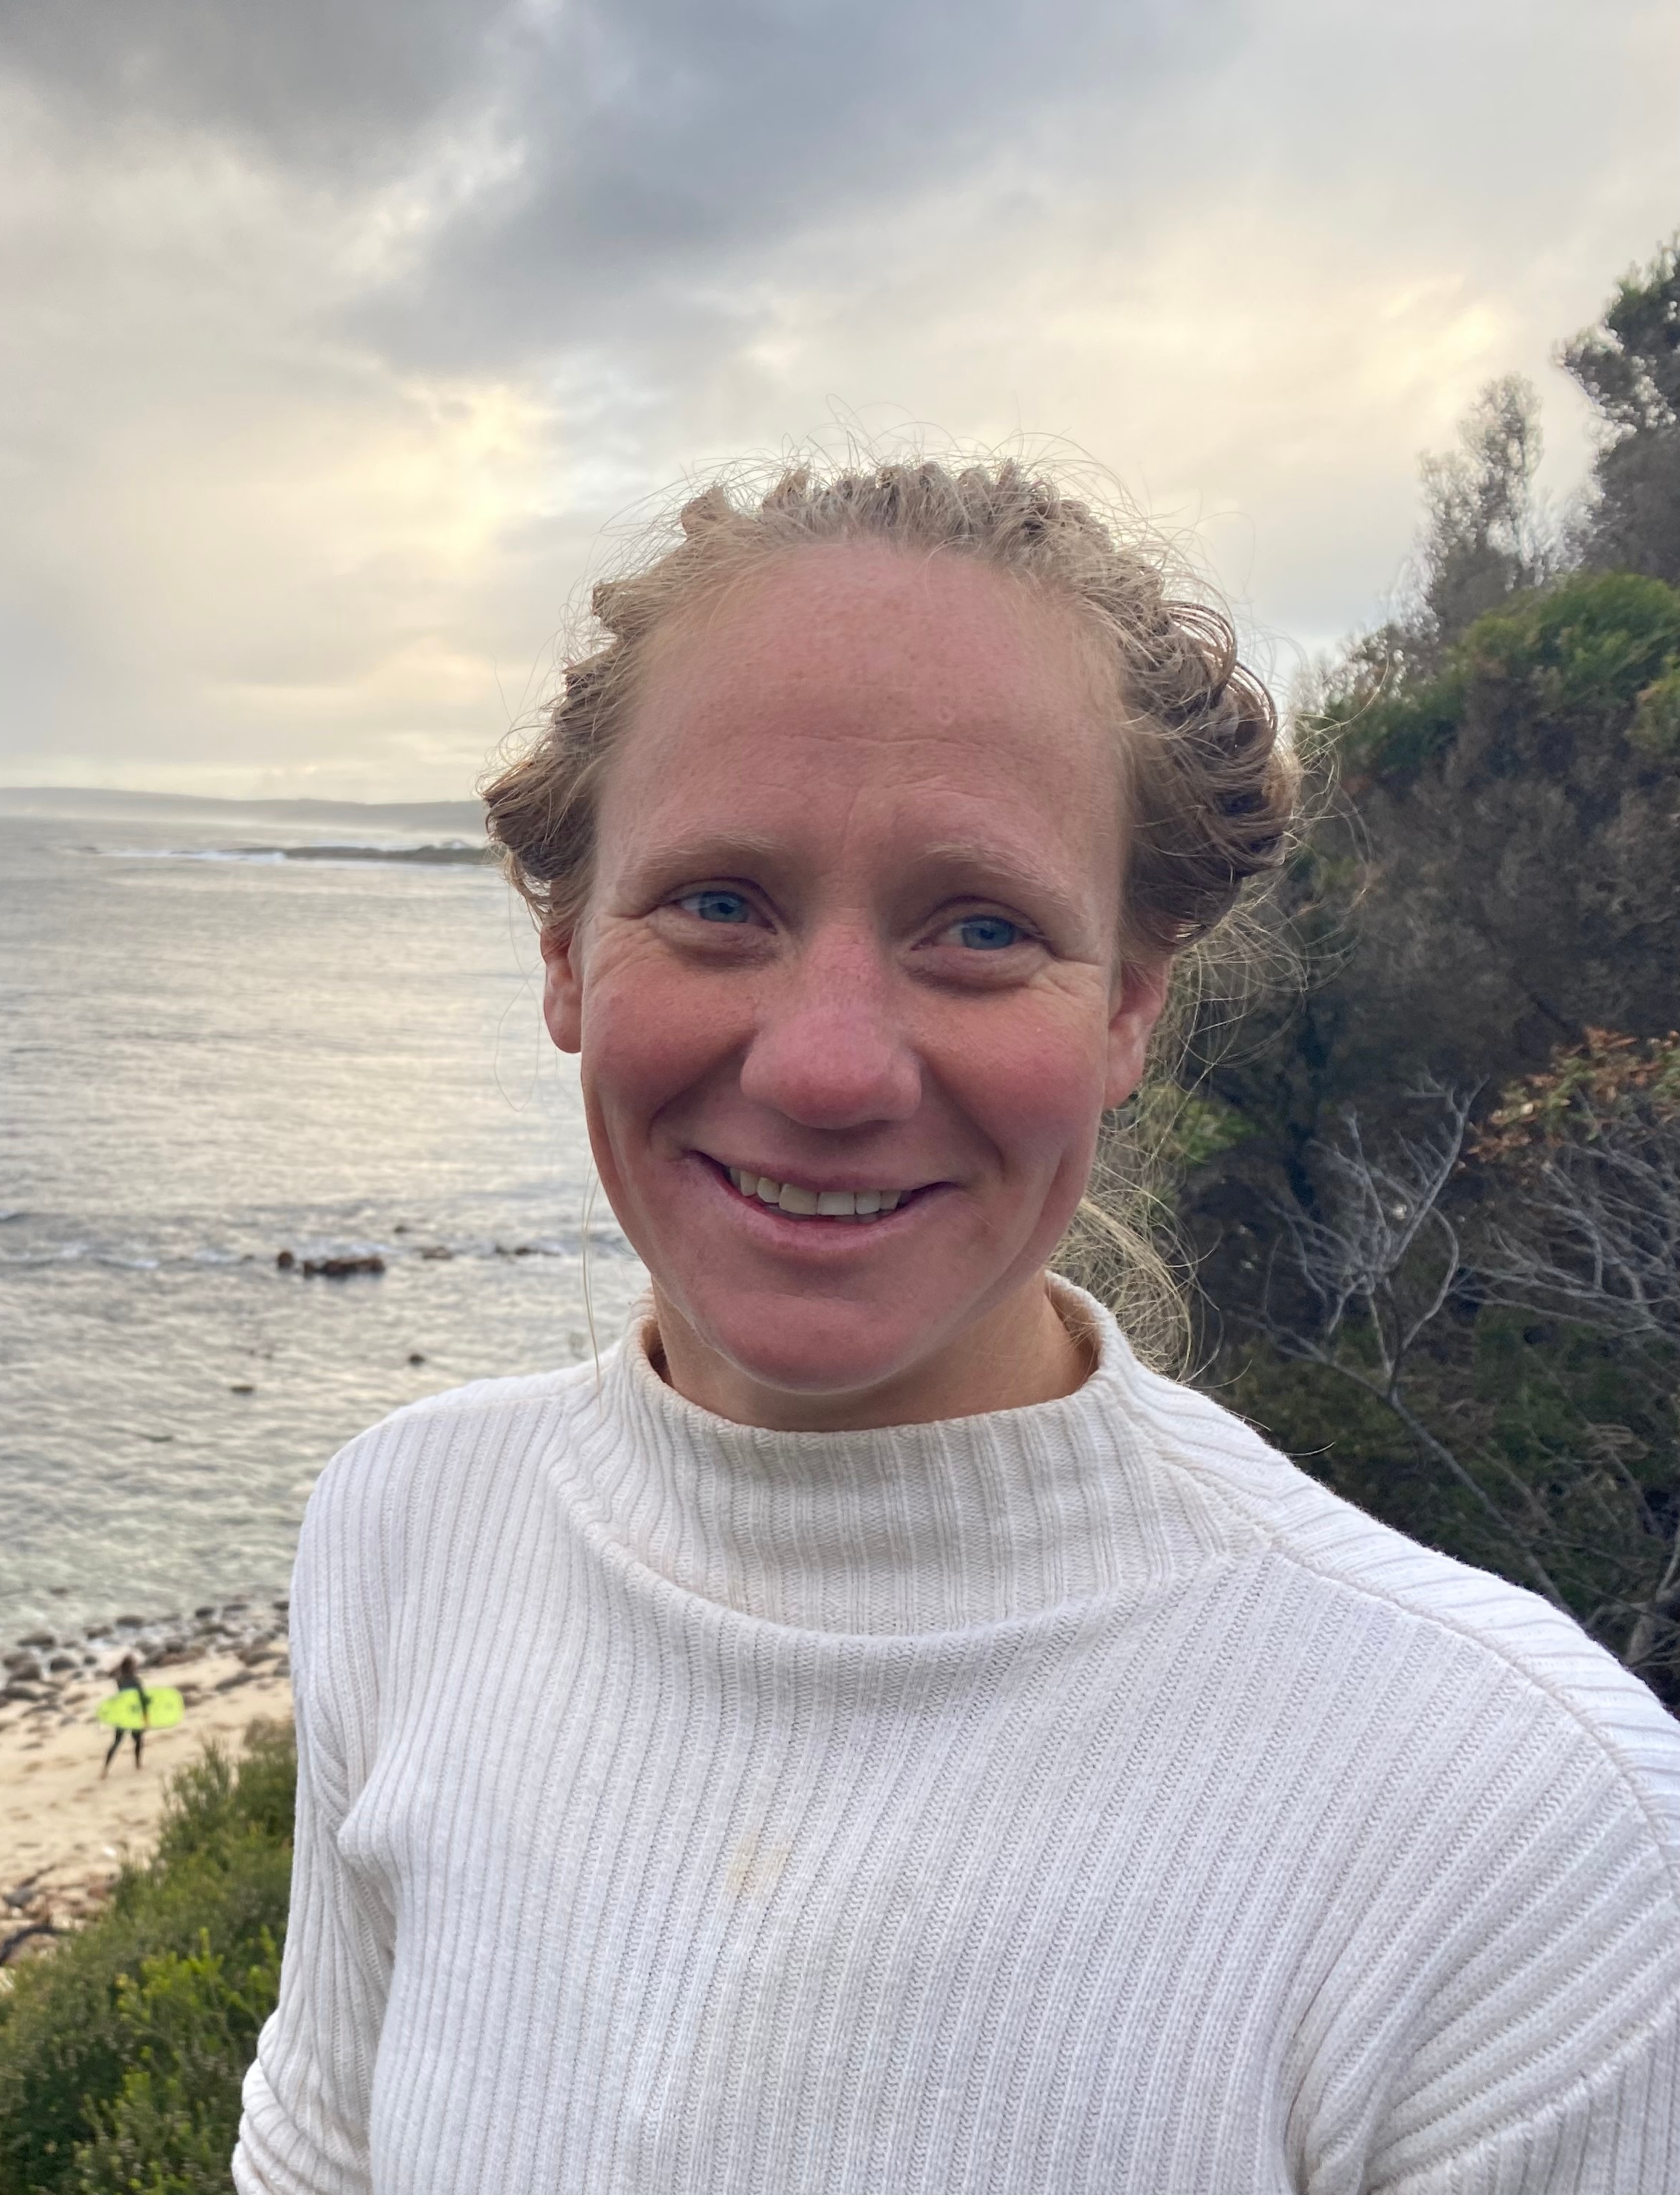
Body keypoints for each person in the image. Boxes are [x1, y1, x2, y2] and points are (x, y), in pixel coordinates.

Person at [234, 458, 1680, 2193]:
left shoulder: (1531, 1834)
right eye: (718, 904)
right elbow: (319, 2148)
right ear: (563, 950)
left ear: (1129, 1004)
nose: (829, 1065)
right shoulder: (405, 1529)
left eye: (981, 929)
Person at [101, 1650, 149, 1776]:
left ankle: (105, 1770)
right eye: (134, 1664)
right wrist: (145, 1716)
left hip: (122, 1715)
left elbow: (122, 1695)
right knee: (138, 1740)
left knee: (116, 1742)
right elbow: (142, 1699)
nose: (136, 1666)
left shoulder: (119, 1680)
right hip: (134, 1714)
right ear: (131, 1667)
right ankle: (138, 1764)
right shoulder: (136, 1681)